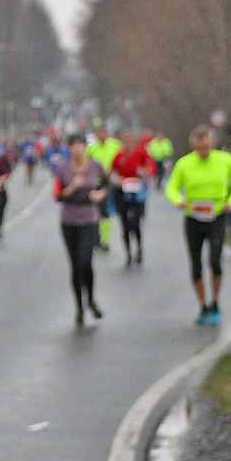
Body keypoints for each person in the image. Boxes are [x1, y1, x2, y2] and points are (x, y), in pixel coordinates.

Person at [165, 125, 231, 325]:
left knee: (215, 260)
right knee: (195, 264)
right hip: (193, 217)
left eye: (206, 146)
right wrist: (178, 200)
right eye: (199, 147)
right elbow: (172, 187)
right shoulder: (184, 163)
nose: (203, 150)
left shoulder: (225, 160)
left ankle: (216, 302)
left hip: (216, 215)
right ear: (193, 145)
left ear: (212, 143)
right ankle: (202, 305)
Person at [54, 134, 109, 325]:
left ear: (85, 147)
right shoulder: (62, 169)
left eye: (80, 145)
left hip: (89, 217)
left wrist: (99, 194)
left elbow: (106, 183)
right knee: (75, 266)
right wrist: (72, 187)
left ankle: (91, 299)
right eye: (73, 146)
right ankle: (79, 307)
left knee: (85, 261)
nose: (77, 149)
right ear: (69, 148)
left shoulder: (95, 166)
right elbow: (58, 196)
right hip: (69, 219)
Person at [110, 131, 155, 266]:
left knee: (135, 222)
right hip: (122, 193)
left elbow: (150, 167)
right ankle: (128, 253)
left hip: (137, 192)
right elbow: (111, 173)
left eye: (130, 140)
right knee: (125, 225)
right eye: (125, 141)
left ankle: (139, 249)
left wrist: (146, 173)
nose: (128, 143)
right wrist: (116, 180)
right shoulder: (118, 156)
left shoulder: (140, 153)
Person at [86, 125, 121, 252]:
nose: (102, 135)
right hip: (94, 182)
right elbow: (86, 163)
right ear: (96, 134)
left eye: (104, 132)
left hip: (108, 181)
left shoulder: (115, 145)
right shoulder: (91, 147)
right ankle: (96, 239)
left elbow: (121, 160)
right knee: (95, 210)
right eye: (99, 133)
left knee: (106, 210)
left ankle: (105, 240)